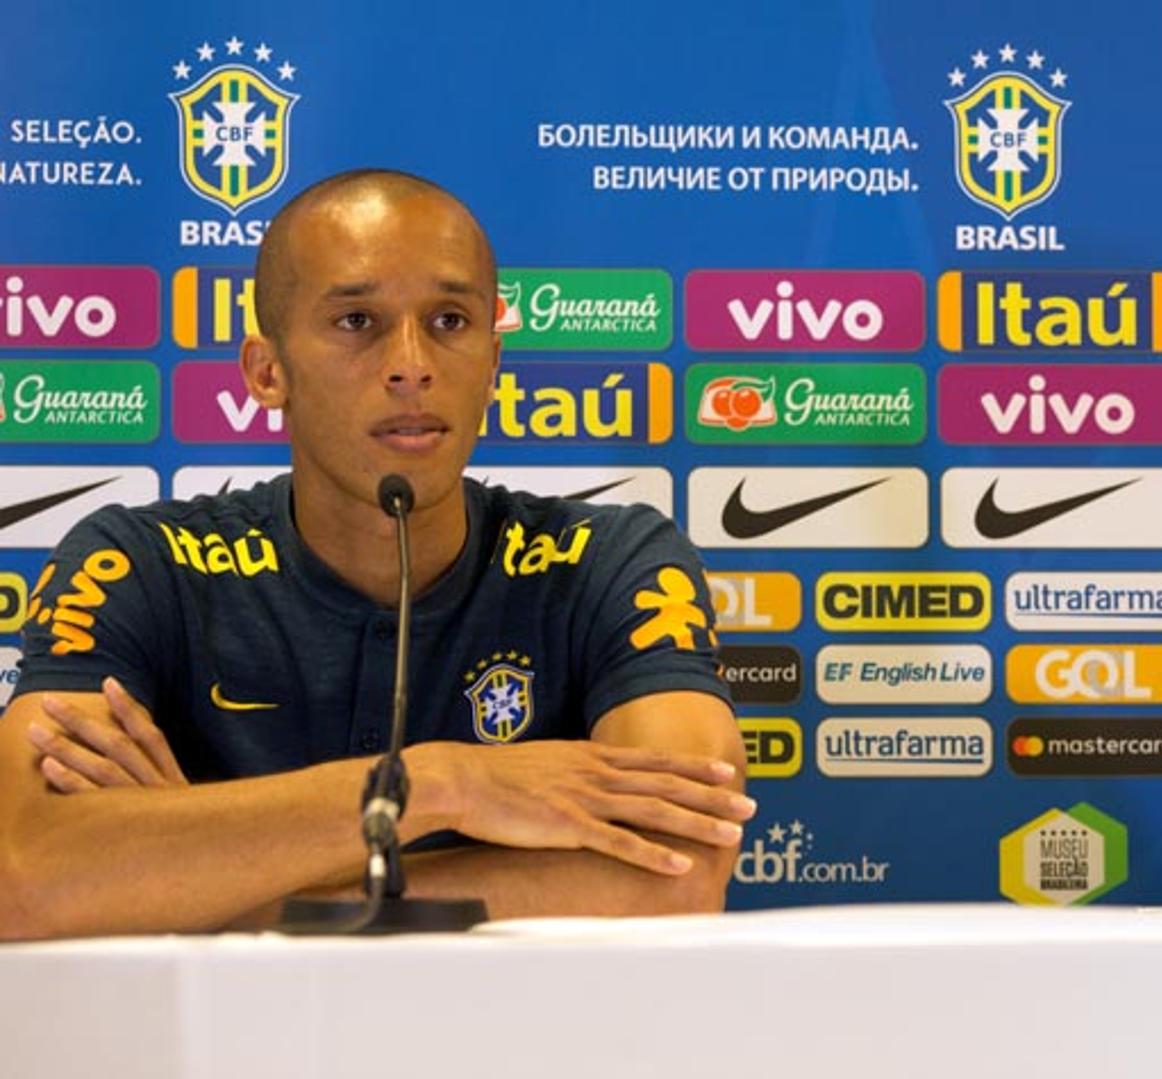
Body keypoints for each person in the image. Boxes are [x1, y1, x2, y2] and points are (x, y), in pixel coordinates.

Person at [0, 170, 752, 938]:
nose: (411, 363)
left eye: (451, 320)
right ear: (267, 371)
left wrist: (178, 883)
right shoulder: (138, 564)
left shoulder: (609, 561)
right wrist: (442, 783)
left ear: (494, 361)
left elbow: (678, 872)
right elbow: (22, 880)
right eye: (357, 320)